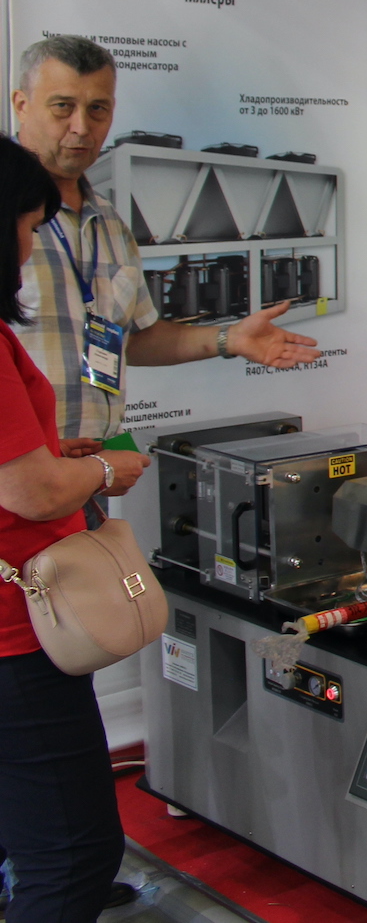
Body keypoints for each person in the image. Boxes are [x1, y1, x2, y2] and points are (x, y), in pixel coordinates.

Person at [11, 36, 320, 444]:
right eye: (62, 106)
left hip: (92, 461)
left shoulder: (109, 222)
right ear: (21, 105)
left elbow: (138, 339)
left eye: (97, 109)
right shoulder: (5, 213)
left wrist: (229, 338)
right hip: (19, 468)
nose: (81, 127)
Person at [0, 136, 153, 923]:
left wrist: (51, 452)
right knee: (74, 853)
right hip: (16, 634)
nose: (30, 249)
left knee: (33, 831)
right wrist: (101, 472)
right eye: (27, 228)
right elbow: (28, 491)